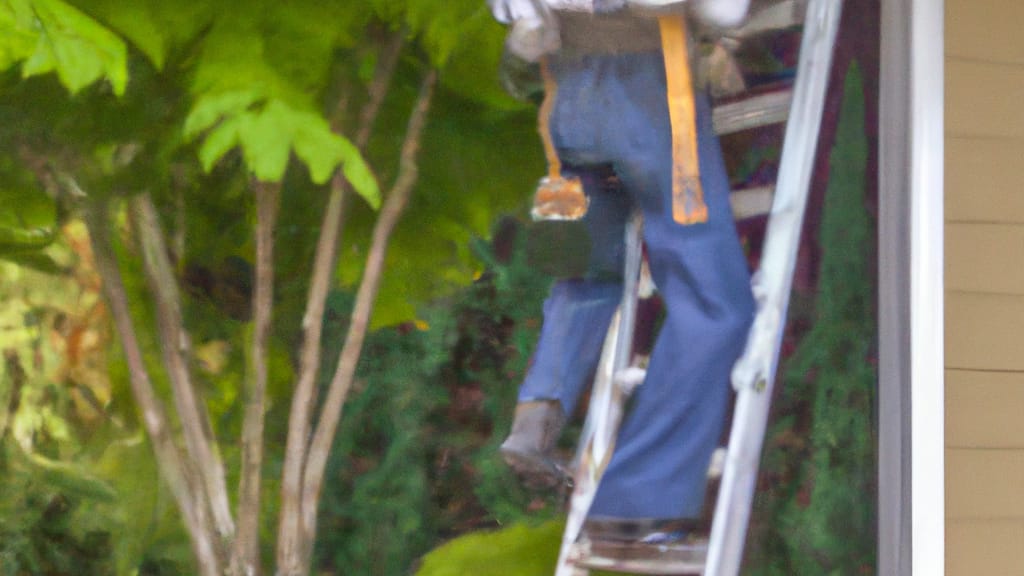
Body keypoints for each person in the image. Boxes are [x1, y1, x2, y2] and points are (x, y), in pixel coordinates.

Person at [489, 0, 756, 541]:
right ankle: (639, 500)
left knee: (590, 271)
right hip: (649, 95)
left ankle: (537, 415)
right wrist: (721, 39)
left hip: (567, 105)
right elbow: (726, 10)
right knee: (714, 304)